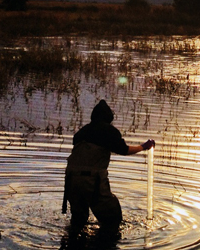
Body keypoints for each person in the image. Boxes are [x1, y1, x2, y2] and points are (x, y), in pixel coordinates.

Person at [62, 99, 155, 232]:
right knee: (112, 218)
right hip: (92, 181)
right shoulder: (109, 131)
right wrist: (143, 147)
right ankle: (105, 248)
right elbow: (124, 150)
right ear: (108, 118)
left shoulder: (81, 133)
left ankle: (72, 248)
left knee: (78, 220)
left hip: (71, 179)